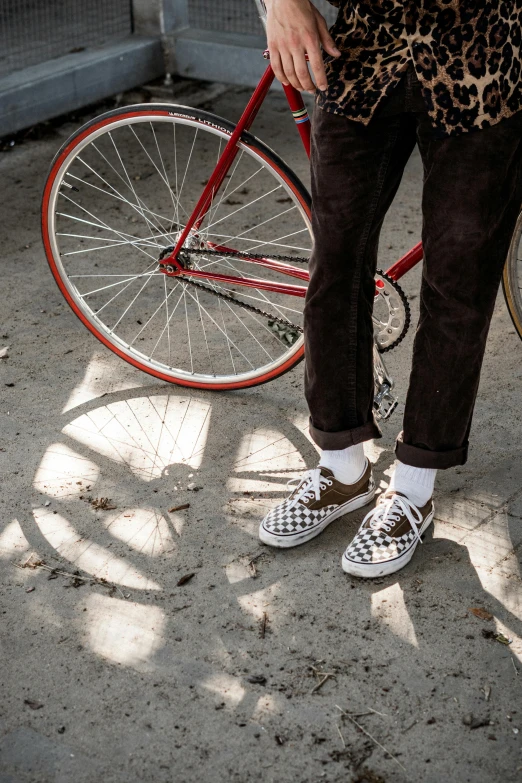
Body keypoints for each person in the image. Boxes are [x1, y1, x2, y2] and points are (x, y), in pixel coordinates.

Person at [258, 0, 522, 577]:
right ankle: (341, 470)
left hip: (485, 56)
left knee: (459, 280)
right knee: (336, 264)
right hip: (363, 47)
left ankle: (412, 492)